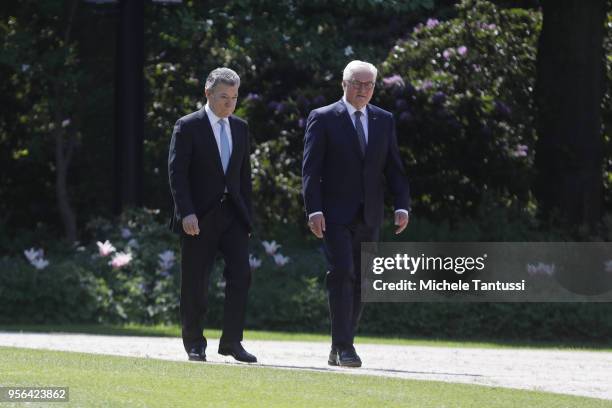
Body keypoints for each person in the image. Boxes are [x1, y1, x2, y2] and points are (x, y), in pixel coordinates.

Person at [302, 60, 410, 367]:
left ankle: (340, 344)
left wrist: (402, 204)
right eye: (357, 83)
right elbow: (311, 170)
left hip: (370, 213)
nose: (363, 90)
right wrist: (314, 209)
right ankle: (345, 346)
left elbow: (394, 167)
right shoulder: (323, 118)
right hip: (334, 213)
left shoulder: (383, 119)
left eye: (369, 84)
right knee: (342, 274)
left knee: (363, 280)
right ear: (344, 84)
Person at [168, 67, 256, 363]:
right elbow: (177, 174)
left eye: (234, 97)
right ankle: (194, 342)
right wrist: (186, 213)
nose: (229, 103)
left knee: (242, 276)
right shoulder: (187, 125)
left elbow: (244, 178)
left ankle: (232, 342)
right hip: (199, 218)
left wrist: (248, 218)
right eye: (223, 97)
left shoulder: (241, 127)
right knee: (195, 282)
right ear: (207, 94)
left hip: (233, 216)